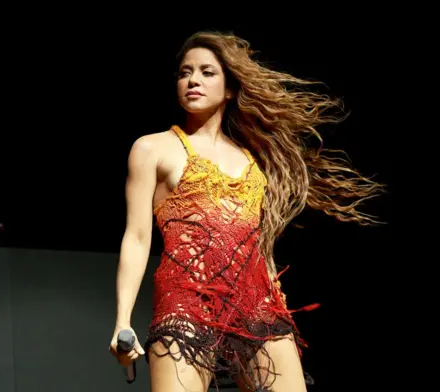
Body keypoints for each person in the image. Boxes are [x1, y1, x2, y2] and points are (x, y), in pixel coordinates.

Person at [108, 31, 384, 392]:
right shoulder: (153, 149)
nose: (193, 80)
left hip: (258, 307)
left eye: (207, 72)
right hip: (186, 305)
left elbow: (258, 243)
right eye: (184, 72)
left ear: (230, 89)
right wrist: (122, 320)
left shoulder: (254, 160)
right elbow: (138, 236)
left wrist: (277, 296)